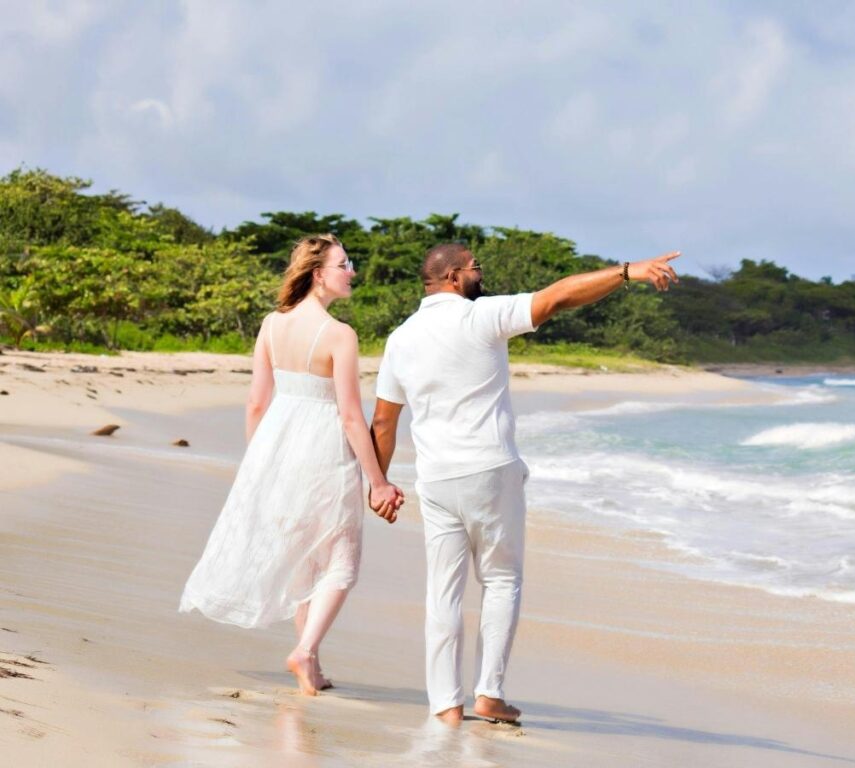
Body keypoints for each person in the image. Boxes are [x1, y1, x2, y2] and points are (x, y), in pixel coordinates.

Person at [369, 243, 679, 725]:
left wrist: (379, 482)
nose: (481, 272)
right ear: (452, 277)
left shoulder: (400, 339)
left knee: (442, 594)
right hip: (490, 470)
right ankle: (489, 694)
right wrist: (625, 272)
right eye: (475, 267)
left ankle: (445, 706)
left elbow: (384, 423)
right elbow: (556, 297)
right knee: (501, 579)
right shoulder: (481, 317)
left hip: (436, 478)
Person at [179, 234, 404, 696]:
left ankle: (312, 664)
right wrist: (377, 480)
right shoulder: (340, 335)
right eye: (345, 264)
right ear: (319, 274)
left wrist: (258, 463)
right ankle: (305, 651)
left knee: (304, 557)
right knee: (340, 560)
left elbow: (256, 404)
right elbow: (348, 415)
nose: (352, 271)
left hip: (278, 447)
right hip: (323, 450)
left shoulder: (271, 325)